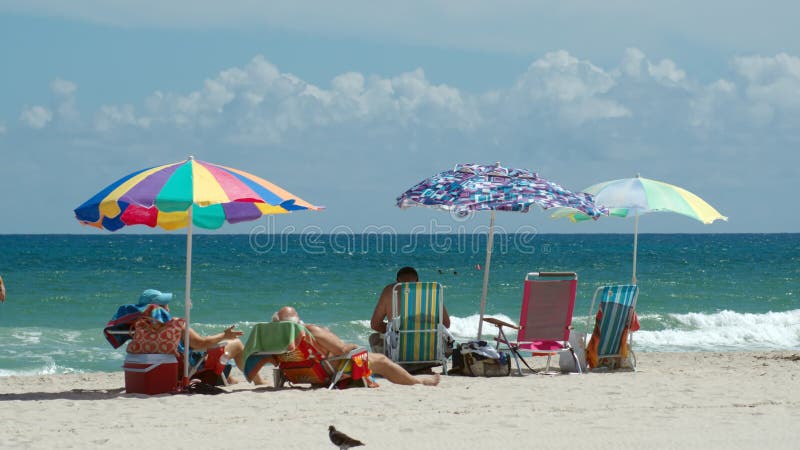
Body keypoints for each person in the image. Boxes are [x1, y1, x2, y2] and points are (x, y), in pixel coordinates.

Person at [274, 306, 439, 386]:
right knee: (381, 360)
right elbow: (342, 350)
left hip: (301, 373)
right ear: (297, 320)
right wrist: (354, 346)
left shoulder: (276, 337)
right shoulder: (309, 331)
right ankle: (418, 382)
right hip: (333, 369)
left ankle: (416, 380)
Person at [137, 289, 265, 385]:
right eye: (164, 304)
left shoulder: (139, 327)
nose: (168, 307)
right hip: (190, 372)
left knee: (229, 375)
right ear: (158, 308)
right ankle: (259, 382)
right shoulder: (175, 324)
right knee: (236, 343)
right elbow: (200, 344)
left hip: (161, 371)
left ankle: (229, 380)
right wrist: (224, 335)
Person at [368, 266, 451, 355]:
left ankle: (391, 366)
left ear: (397, 280)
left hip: (399, 352)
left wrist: (394, 330)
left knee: (374, 337)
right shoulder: (431, 291)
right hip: (429, 351)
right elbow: (446, 323)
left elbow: (375, 324)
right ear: (417, 280)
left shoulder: (389, 291)